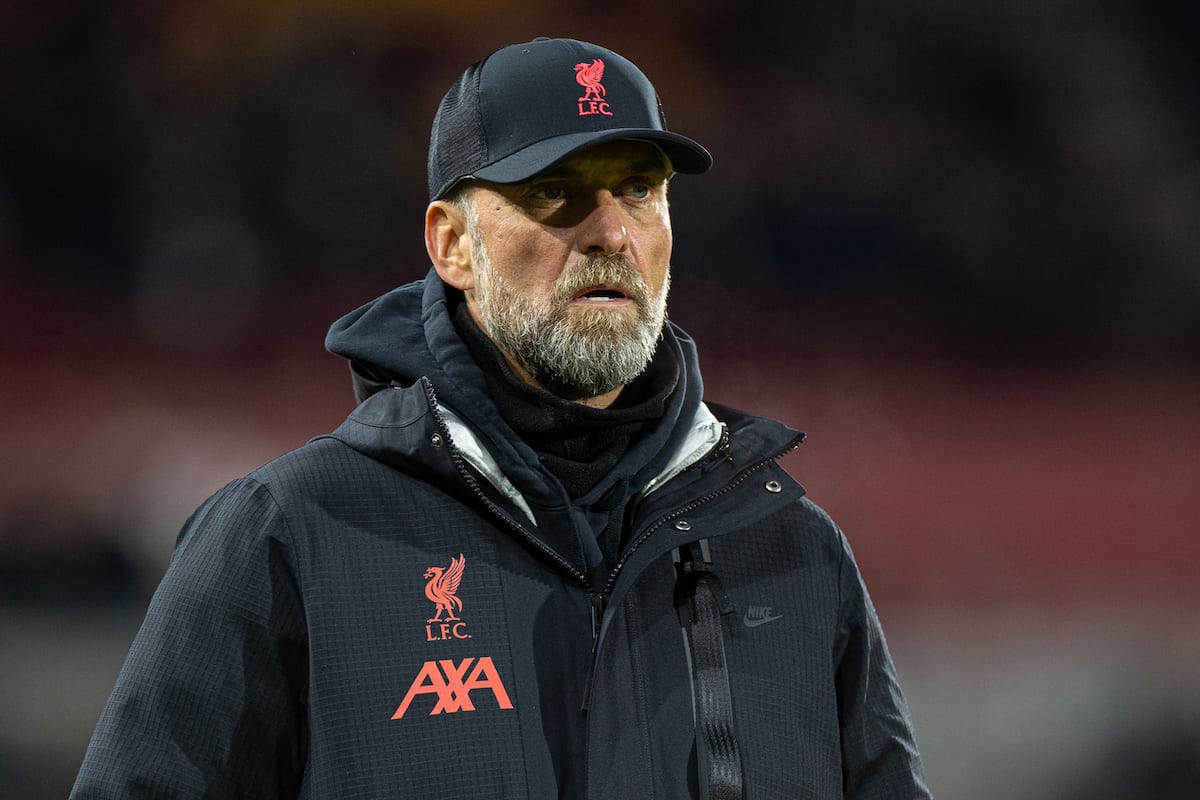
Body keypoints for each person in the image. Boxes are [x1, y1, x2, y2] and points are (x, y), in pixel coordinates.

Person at [71, 37, 931, 799]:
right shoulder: (288, 538)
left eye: (638, 189)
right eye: (556, 192)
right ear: (451, 244)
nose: (610, 232)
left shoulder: (788, 550)